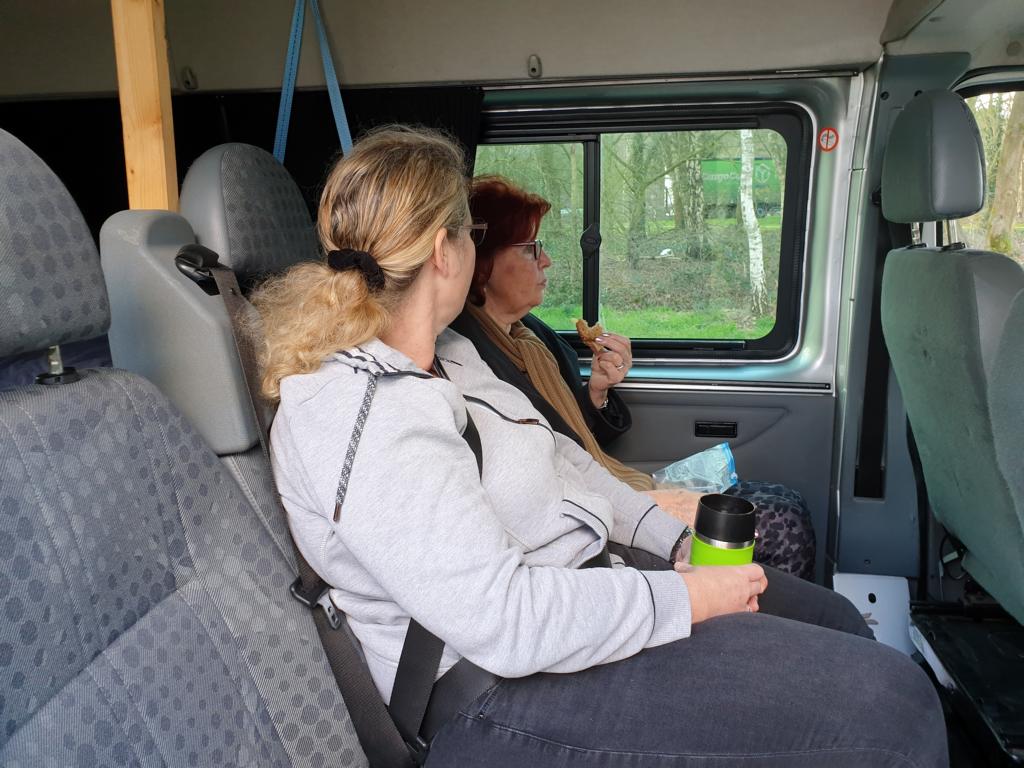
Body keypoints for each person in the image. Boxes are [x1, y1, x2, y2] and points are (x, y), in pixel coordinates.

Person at [254, 126, 947, 767]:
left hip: (581, 601)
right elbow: (505, 622)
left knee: (834, 617)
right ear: (444, 250)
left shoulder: (452, 355)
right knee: (899, 713)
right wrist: (685, 598)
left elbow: (569, 463)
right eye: (473, 234)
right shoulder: (362, 414)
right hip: (493, 696)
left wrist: (672, 544)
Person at [450, 175, 816, 578]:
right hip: (589, 511)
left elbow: (573, 433)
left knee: (788, 501)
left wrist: (597, 391)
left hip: (607, 481)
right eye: (530, 248)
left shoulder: (531, 334)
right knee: (787, 528)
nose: (547, 260)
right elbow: (541, 466)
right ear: (482, 263)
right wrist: (649, 505)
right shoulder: (469, 358)